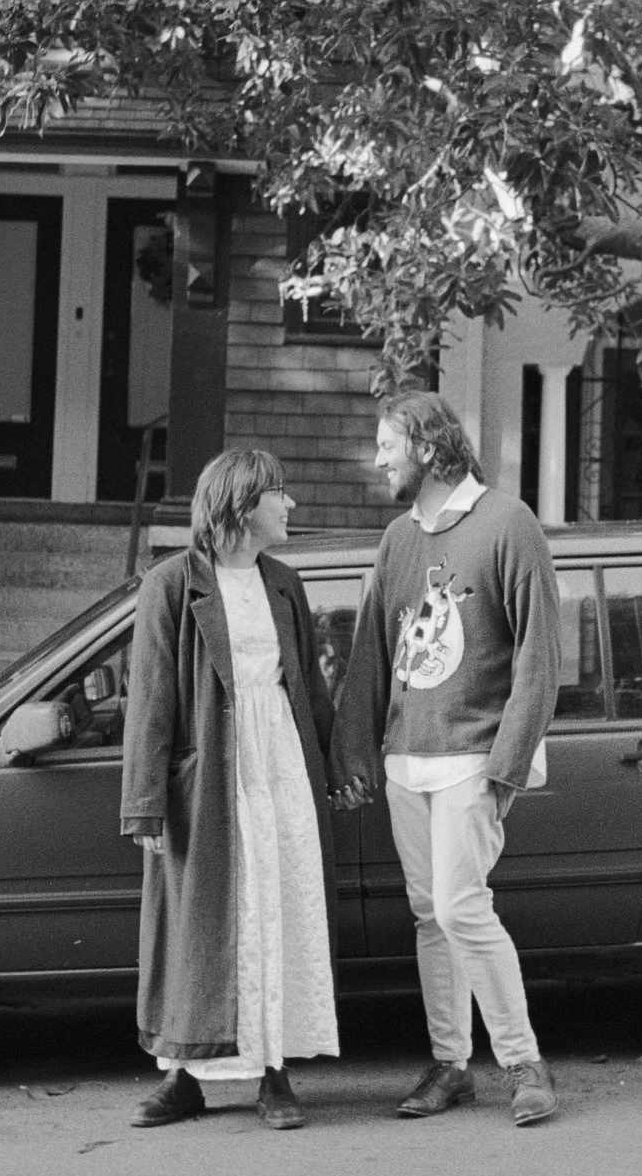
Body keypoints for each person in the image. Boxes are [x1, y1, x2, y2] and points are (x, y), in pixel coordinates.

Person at [332, 391, 562, 1126]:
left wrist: (509, 763)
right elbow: (373, 650)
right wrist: (355, 752)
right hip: (407, 759)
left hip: (473, 756)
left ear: (428, 448)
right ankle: (451, 1065)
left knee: (464, 908)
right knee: (430, 915)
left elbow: (539, 655)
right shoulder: (399, 538)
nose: (379, 459)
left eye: (387, 445)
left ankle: (526, 1063)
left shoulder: (508, 522)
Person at [121, 448, 341, 1130]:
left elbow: (309, 686)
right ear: (244, 505)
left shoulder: (284, 584)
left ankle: (274, 1074)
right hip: (209, 778)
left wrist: (337, 767)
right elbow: (150, 701)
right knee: (202, 926)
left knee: (277, 909)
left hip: (278, 769)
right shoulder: (171, 583)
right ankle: (183, 1075)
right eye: (281, 494)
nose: (291, 506)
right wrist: (146, 804)